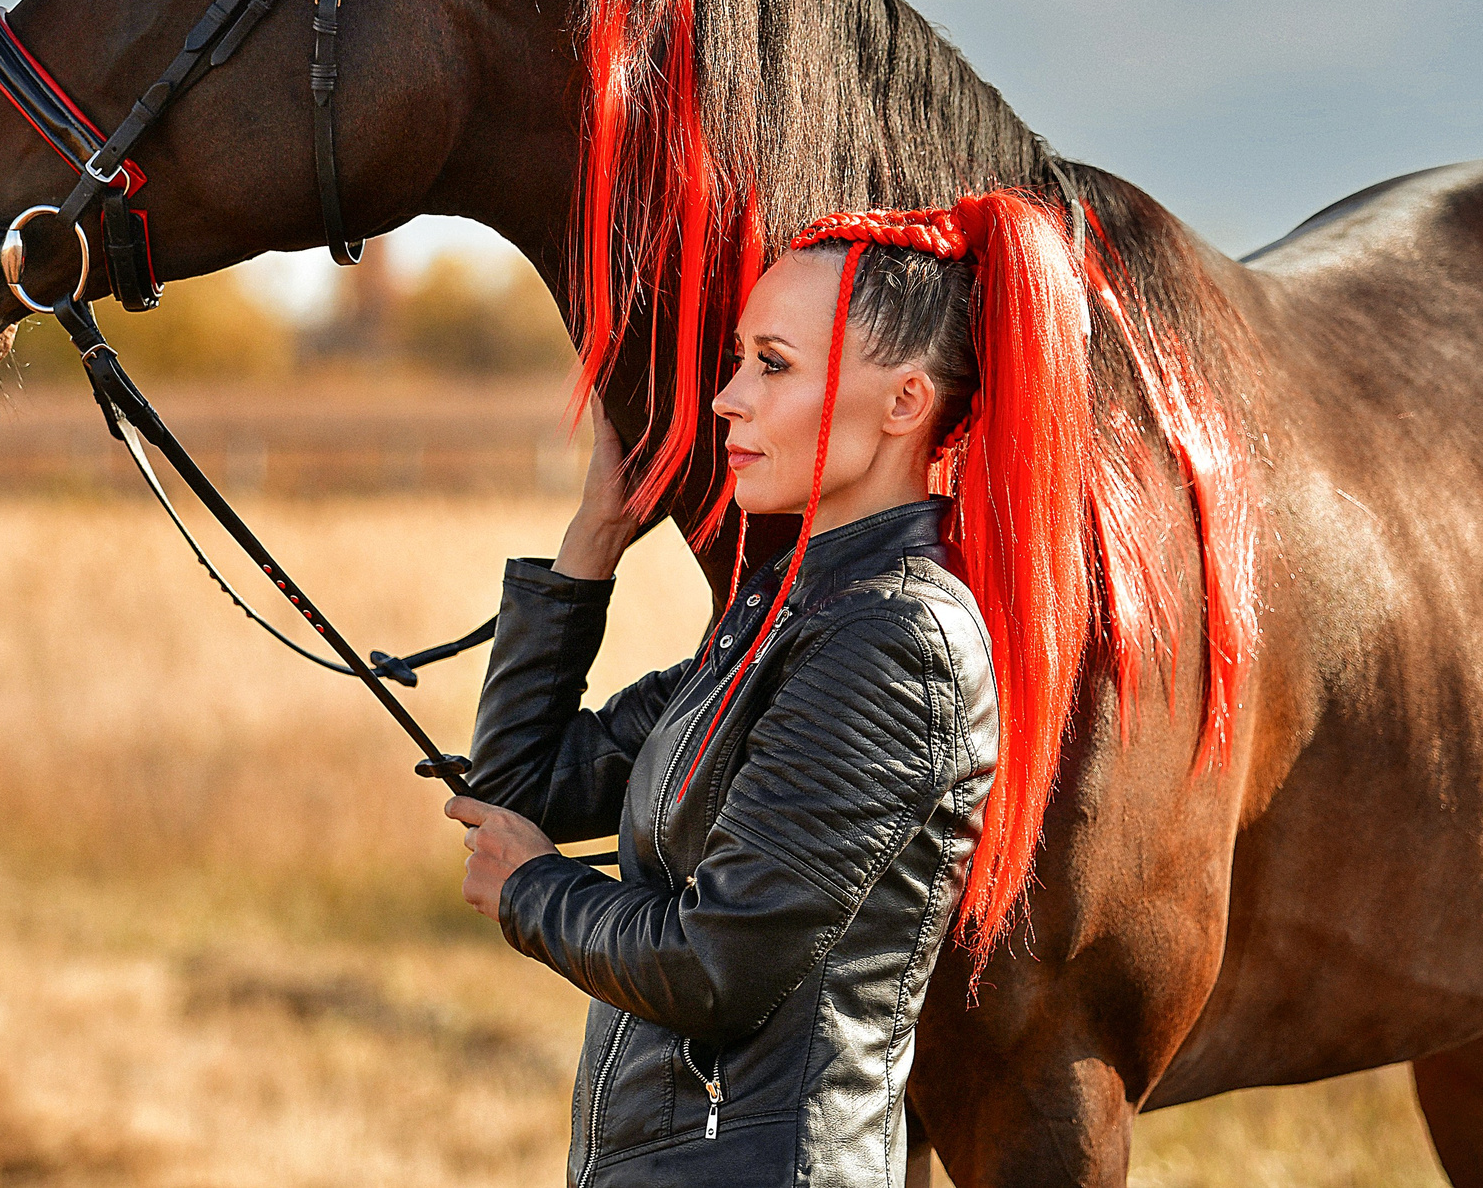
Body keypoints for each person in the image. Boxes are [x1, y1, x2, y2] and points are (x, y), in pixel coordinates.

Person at [446, 191, 1097, 1187]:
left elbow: (718, 964)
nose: (726, 399)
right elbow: (519, 787)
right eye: (742, 357)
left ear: (904, 404)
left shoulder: (892, 642)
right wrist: (589, 548)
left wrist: (535, 888)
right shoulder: (780, 620)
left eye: (774, 364)